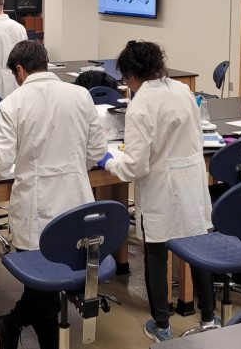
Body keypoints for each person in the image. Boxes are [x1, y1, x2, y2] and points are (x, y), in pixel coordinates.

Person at [0, 40, 107, 349]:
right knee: (45, 291)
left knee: (43, 290)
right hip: (76, 205)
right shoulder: (80, 95)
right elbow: (97, 151)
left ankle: (13, 324)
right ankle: (12, 323)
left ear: (19, 70)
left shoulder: (13, 103)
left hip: (37, 209)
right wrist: (73, 167)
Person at [96, 41, 215, 342]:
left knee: (156, 253)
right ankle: (210, 318)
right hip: (191, 180)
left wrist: (110, 162)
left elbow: (135, 166)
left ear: (131, 76)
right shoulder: (182, 90)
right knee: (197, 248)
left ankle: (162, 326)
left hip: (162, 187)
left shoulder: (141, 105)